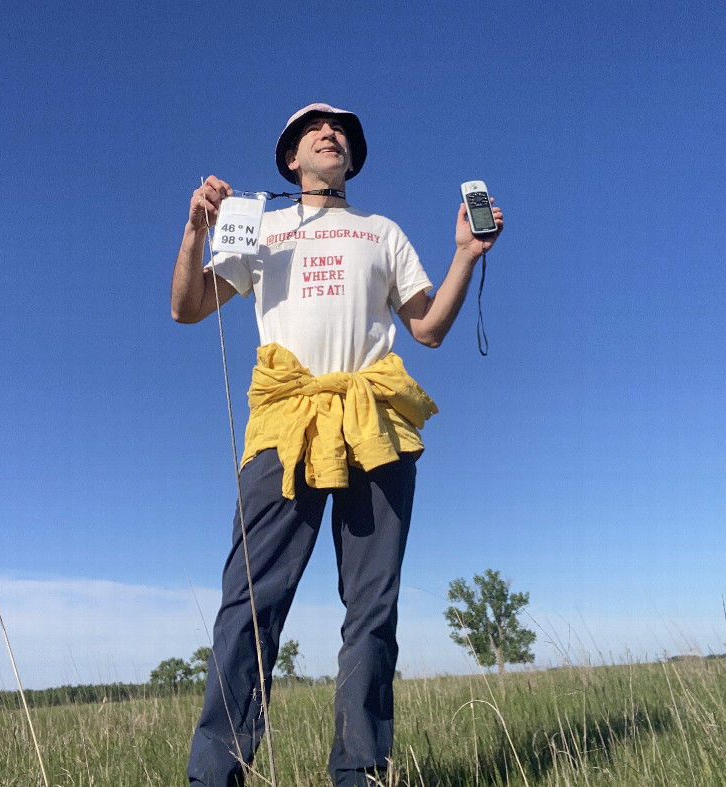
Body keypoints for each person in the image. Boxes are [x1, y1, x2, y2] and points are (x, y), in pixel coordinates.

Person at [171, 103, 503, 787]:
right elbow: (189, 305)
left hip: (372, 420)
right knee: (250, 602)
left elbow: (430, 328)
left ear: (351, 157)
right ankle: (216, 773)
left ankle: (360, 771)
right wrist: (194, 231)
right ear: (291, 158)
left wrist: (466, 253)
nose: (331, 134)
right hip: (285, 422)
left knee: (373, 608)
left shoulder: (382, 233)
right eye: (313, 130)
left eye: (341, 131)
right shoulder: (258, 225)